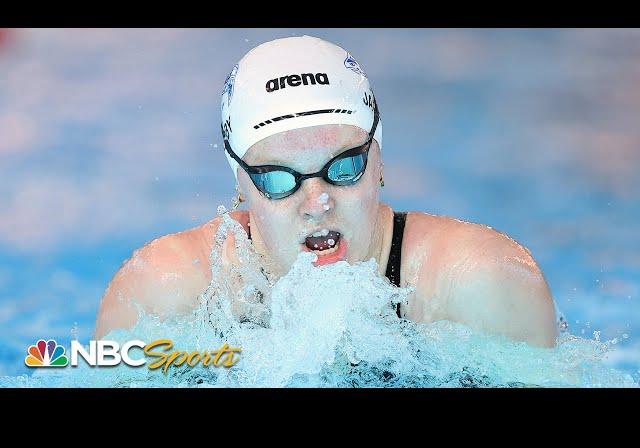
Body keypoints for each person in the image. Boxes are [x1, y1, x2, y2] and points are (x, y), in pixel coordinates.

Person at [95, 35, 558, 347]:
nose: (317, 202)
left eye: (344, 168)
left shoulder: (478, 286)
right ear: (240, 184)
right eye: (279, 178)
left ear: (379, 161)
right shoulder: (167, 295)